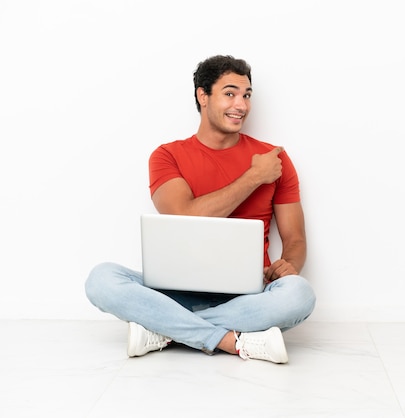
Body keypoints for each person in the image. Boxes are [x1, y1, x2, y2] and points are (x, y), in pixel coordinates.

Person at [85, 55, 316, 364]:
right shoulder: (168, 155)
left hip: (248, 293)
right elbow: (183, 215)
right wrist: (253, 177)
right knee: (101, 279)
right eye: (230, 93)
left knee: (299, 294)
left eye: (247, 95)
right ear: (202, 96)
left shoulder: (273, 158)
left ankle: (165, 330)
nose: (242, 105)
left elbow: (295, 239)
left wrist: (289, 265)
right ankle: (228, 340)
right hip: (174, 290)